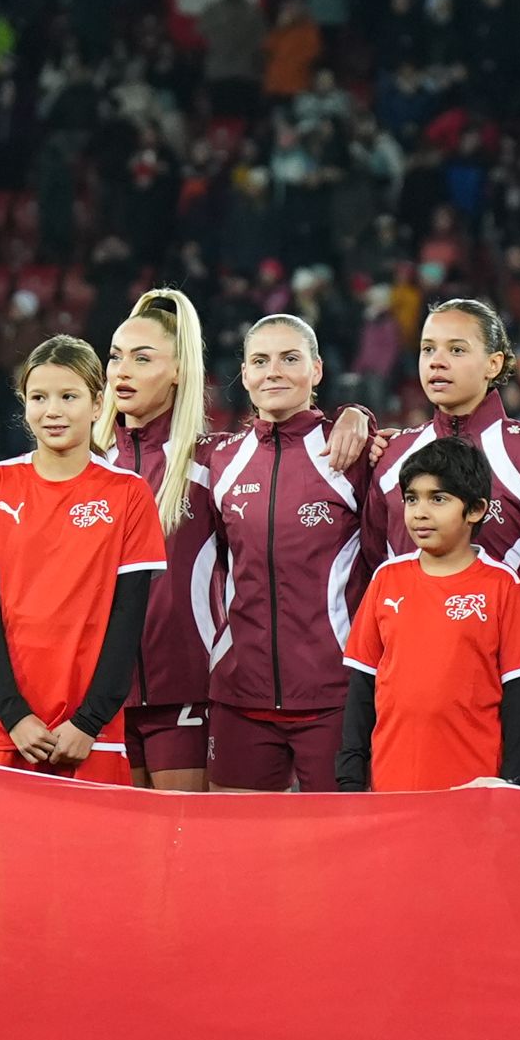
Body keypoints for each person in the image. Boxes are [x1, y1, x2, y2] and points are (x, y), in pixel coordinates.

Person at [0, 336, 166, 778]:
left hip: (91, 733)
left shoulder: (129, 494)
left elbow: (128, 620)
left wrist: (89, 721)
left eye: (68, 396)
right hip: (9, 731)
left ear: (97, 404)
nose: (52, 410)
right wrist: (13, 715)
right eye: (39, 397)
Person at [195, 313, 371, 793]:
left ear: (316, 370)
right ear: (245, 375)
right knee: (238, 853)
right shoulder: (221, 460)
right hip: (240, 694)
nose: (273, 371)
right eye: (260, 360)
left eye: (289, 358)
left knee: (336, 854)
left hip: (333, 693)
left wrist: (360, 415)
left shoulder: (354, 454)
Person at [337, 436, 520, 792]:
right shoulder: (387, 579)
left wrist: (513, 784)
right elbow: (362, 687)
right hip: (392, 782)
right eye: (411, 499)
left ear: (476, 509)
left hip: (474, 788)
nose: (420, 512)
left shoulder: (502, 585)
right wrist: (349, 778)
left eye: (438, 499)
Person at [98, 290, 221, 791]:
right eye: (115, 356)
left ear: (178, 371)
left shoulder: (215, 463)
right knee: (115, 858)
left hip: (188, 691)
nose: (121, 371)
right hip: (98, 698)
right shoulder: (87, 464)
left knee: (183, 850)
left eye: (142, 358)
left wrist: (358, 418)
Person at [363, 297, 520, 589]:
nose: (436, 360)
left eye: (457, 349)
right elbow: (373, 564)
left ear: (494, 364)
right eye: (427, 349)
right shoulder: (390, 455)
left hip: (500, 634)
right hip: (403, 635)